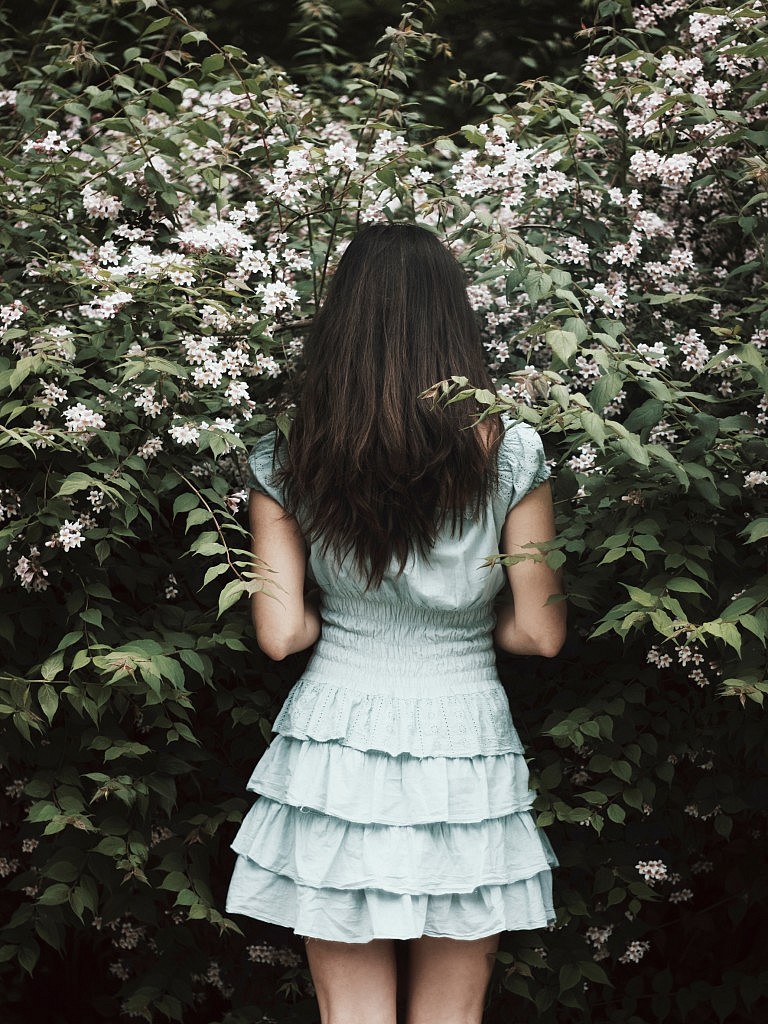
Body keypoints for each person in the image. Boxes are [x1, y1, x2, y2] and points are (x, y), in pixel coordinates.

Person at [226, 223, 566, 1024]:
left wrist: (335, 616)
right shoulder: (511, 453)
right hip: (466, 739)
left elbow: (281, 635)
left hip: (333, 743)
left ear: (340, 326)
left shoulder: (290, 458)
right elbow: (539, 632)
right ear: (455, 324)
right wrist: (463, 628)